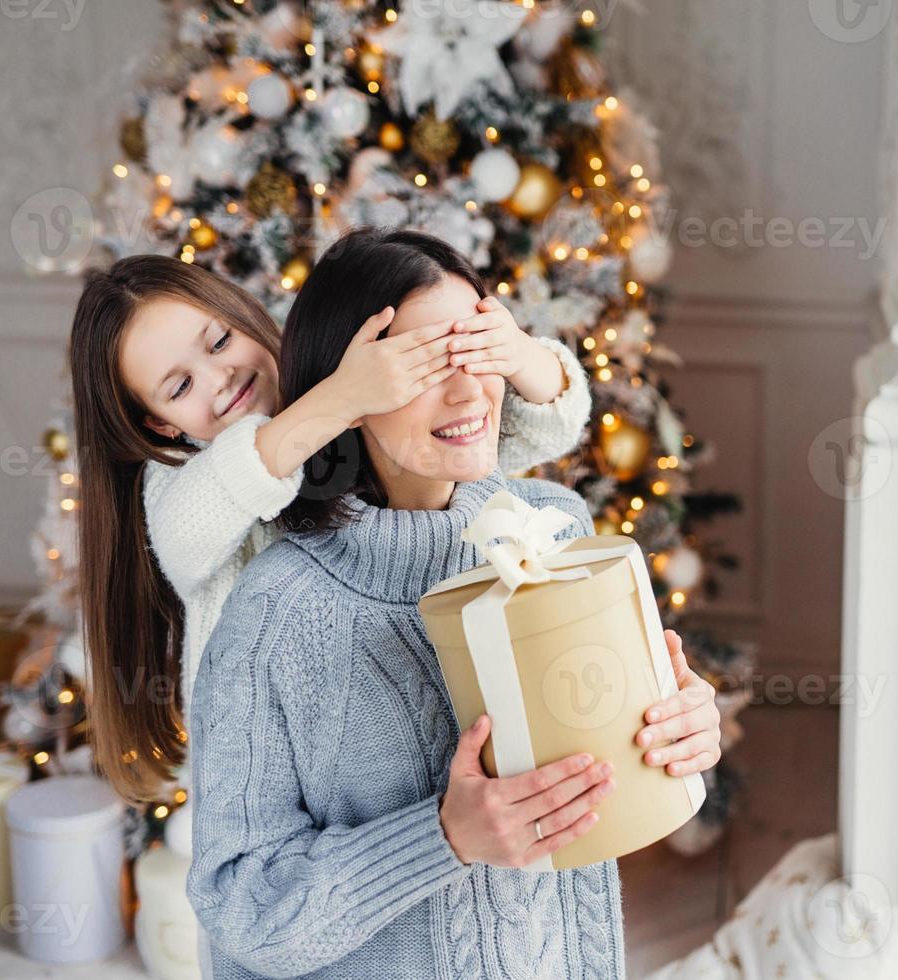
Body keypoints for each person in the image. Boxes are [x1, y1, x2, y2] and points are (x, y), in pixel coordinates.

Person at [186, 228, 723, 978]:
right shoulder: (277, 617)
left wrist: (681, 728)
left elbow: (608, 783)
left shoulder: (555, 526)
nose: (470, 392)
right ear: (353, 395)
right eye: (428, 365)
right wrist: (443, 837)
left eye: (478, 352)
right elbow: (242, 909)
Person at [67, 250, 590, 802]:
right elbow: (198, 517)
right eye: (180, 388)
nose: (221, 378)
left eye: (220, 342)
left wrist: (517, 354)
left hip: (395, 722)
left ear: (243, 311)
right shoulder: (185, 478)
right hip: (273, 765)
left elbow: (539, 430)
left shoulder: (347, 397)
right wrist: (344, 398)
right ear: (158, 423)